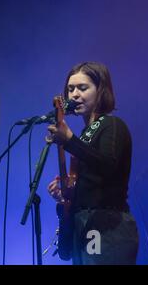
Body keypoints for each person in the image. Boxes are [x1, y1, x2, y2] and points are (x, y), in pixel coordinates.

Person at [46, 62, 139, 265]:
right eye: (70, 89)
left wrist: (69, 140)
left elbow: (108, 165)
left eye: (82, 88)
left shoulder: (111, 124)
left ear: (101, 90)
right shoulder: (85, 134)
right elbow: (92, 183)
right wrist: (67, 193)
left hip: (107, 225)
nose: (74, 95)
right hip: (85, 224)